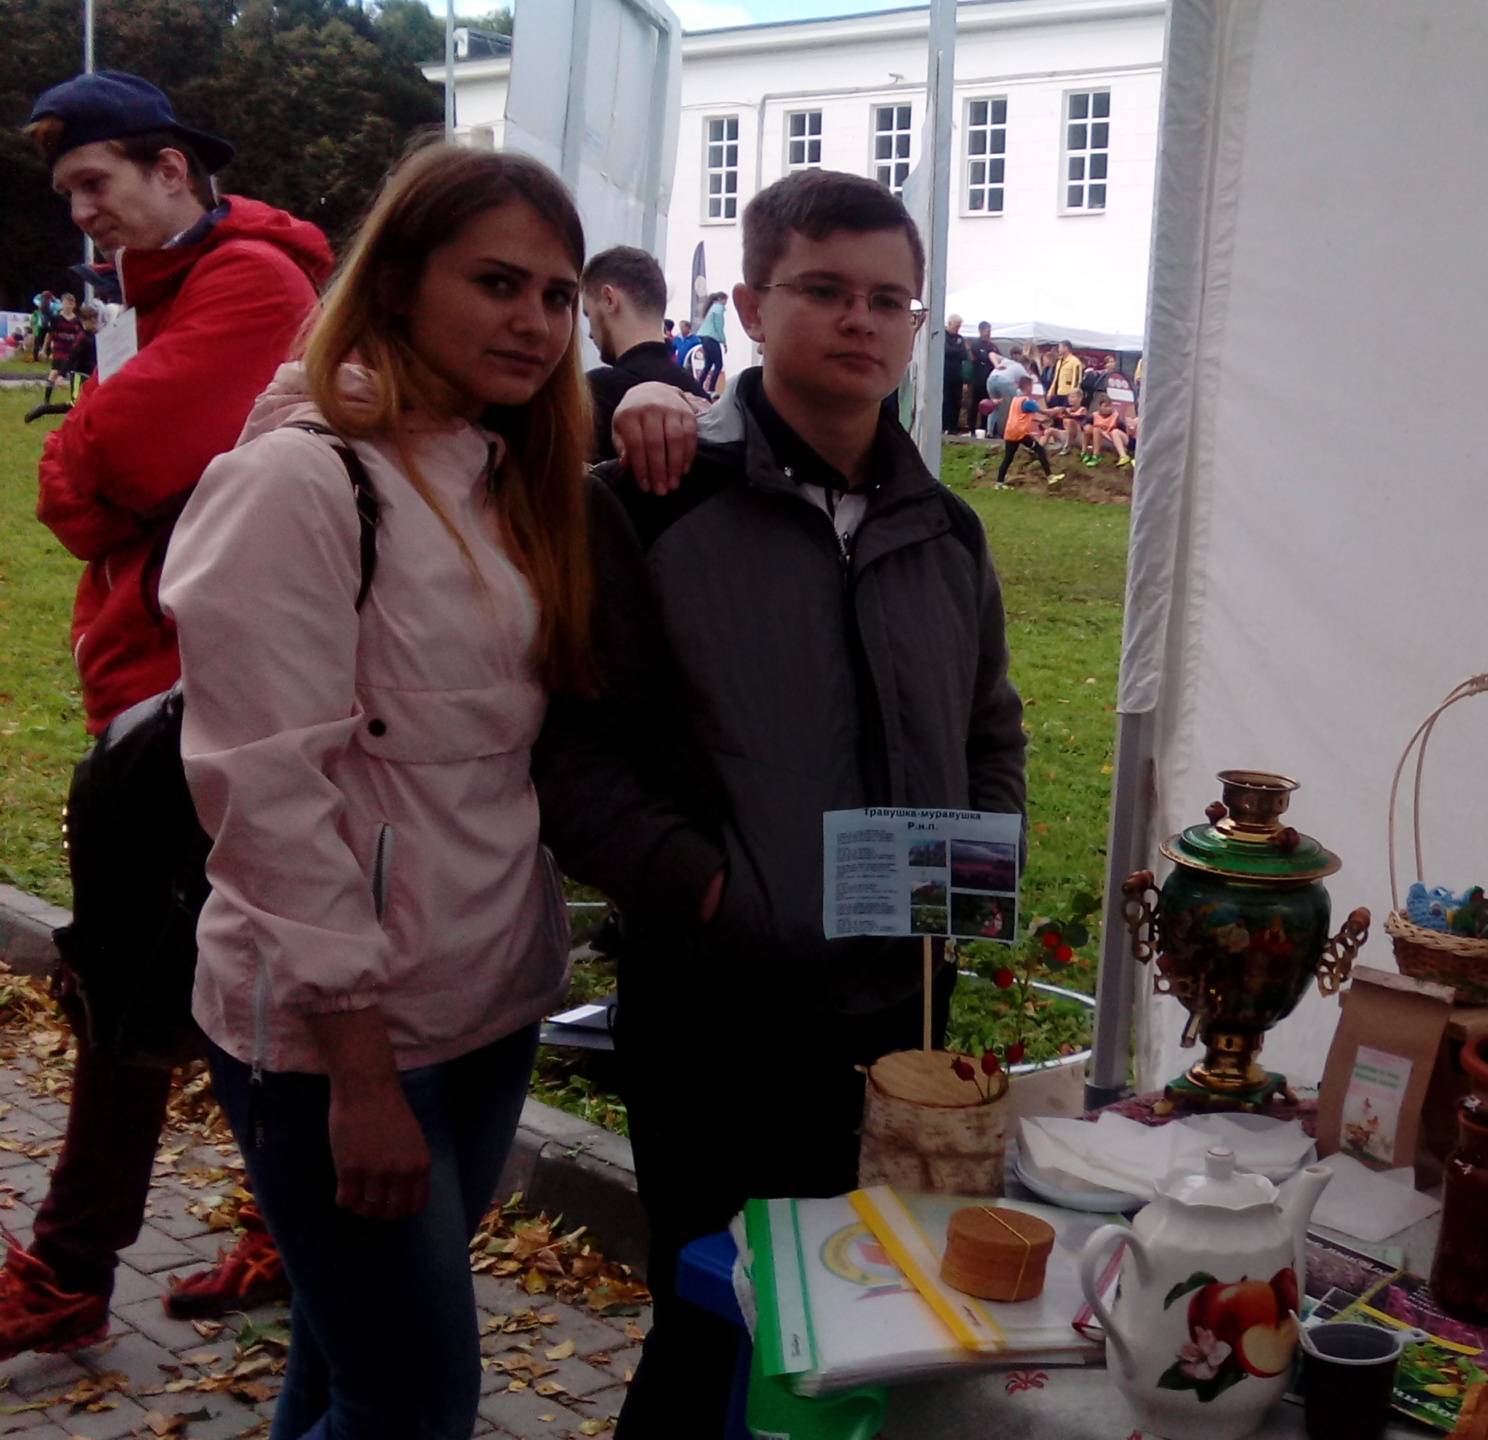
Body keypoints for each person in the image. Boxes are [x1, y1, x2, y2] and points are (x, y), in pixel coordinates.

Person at [533, 168, 1026, 1439]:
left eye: (888, 298)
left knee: (867, 1319)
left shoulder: (947, 531)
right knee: (719, 1321)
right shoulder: (642, 506)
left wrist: (975, 877)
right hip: (719, 1009)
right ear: (751, 307)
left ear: (917, 324)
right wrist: (709, 893)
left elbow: (990, 728)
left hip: (900, 1011)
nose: (860, 319)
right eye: (823, 290)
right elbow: (573, 758)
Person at [159, 142, 590, 1440]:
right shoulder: (298, 480)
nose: (535, 323)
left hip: (488, 999)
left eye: (559, 296)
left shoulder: (506, 474)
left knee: (347, 1358)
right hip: (339, 1035)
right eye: (498, 283)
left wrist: (651, 414)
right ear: (396, 283)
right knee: (412, 1401)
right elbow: (265, 797)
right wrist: (356, 1070)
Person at [1, 70, 332, 1361]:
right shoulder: (165, 291)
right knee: (217, 974)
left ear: (173, 169)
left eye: (96, 182)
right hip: (166, 680)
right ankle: (285, 1229)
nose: (82, 212)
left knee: (134, 982)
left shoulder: (249, 282)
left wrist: (97, 468)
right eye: (67, 193)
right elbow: (115, 473)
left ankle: (71, 1270)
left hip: (199, 695)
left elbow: (95, 469)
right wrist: (110, 475)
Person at [580, 245, 706, 460]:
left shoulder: (595, 394)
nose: (590, 334)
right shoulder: (698, 398)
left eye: (588, 314)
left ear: (609, 299)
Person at [995, 386, 1060, 487]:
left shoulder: (1016, 400)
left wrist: (1040, 420)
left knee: (1008, 458)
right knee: (1039, 449)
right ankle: (1050, 477)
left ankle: (999, 483)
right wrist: (1057, 410)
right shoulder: (1028, 402)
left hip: (1010, 432)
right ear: (1028, 387)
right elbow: (1045, 412)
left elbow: (1022, 415)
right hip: (1020, 433)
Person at [940, 313, 970, 434]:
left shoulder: (960, 338)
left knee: (957, 400)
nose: (958, 328)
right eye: (956, 326)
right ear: (950, 324)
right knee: (945, 400)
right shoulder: (942, 335)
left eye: (959, 326)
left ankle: (953, 427)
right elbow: (945, 350)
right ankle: (944, 426)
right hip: (945, 373)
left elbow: (964, 354)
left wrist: (955, 351)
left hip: (957, 375)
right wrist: (956, 351)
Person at [694, 291, 728, 392]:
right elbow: (719, 326)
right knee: (718, 365)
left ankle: (698, 387)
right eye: (726, 300)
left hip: (704, 338)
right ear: (722, 299)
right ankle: (711, 389)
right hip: (712, 338)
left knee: (708, 364)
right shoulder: (718, 308)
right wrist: (723, 342)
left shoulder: (711, 308)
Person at [966, 319, 995, 433]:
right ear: (981, 331)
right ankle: (971, 427)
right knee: (974, 404)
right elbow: (976, 358)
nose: (989, 333)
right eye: (987, 331)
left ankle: (984, 428)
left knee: (986, 405)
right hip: (977, 380)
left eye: (990, 331)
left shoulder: (992, 346)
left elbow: (997, 358)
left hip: (988, 381)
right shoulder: (975, 344)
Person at [1048, 341, 1083, 406]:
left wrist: (1073, 395)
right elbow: (1056, 378)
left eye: (1060, 347)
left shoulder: (1075, 361)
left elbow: (1077, 379)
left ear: (1066, 348)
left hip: (1068, 393)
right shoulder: (1059, 362)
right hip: (1058, 392)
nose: (1058, 349)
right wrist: (1051, 391)